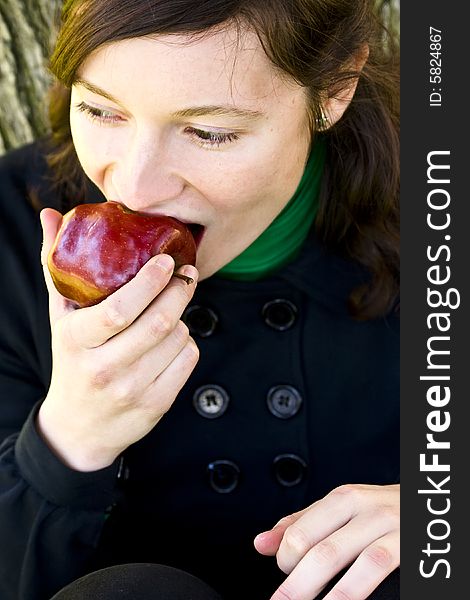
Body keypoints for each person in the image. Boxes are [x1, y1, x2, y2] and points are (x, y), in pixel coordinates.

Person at [0, 1, 400, 599]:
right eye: (101, 110)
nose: (135, 186)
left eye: (210, 132)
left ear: (336, 87)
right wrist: (68, 441)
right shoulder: (11, 222)